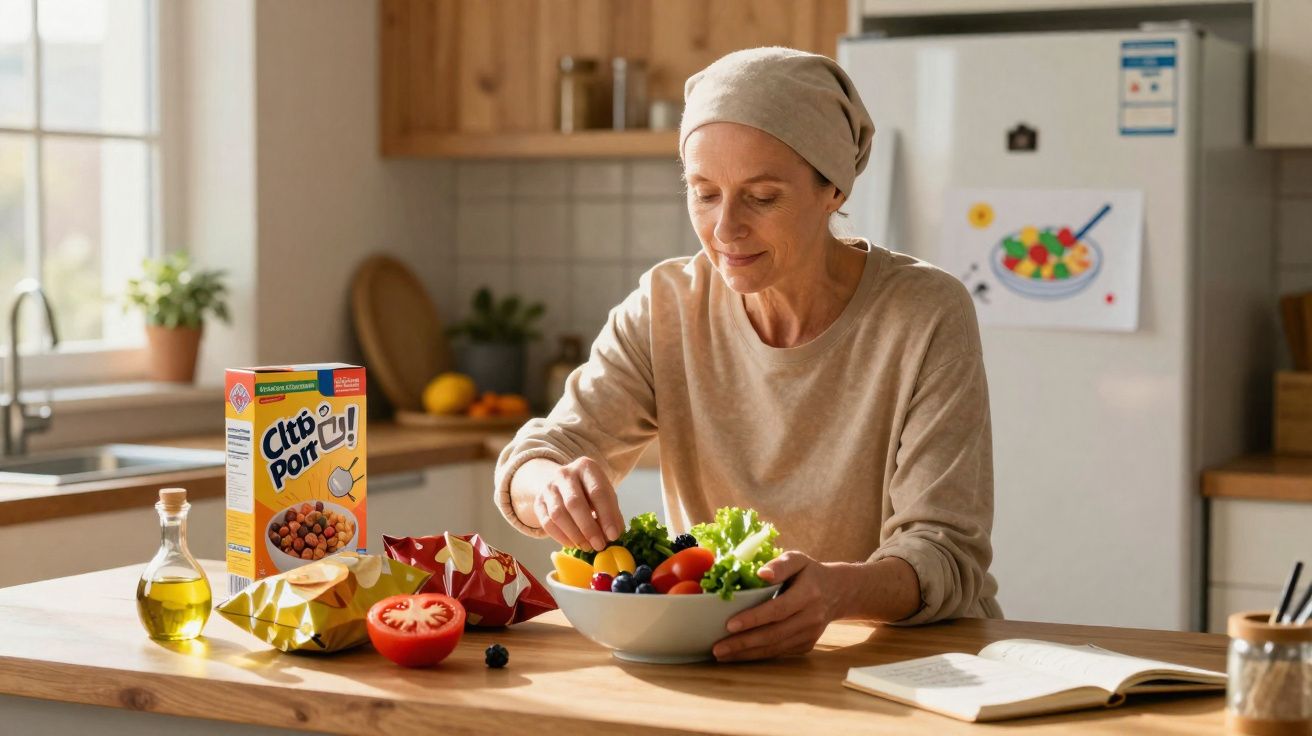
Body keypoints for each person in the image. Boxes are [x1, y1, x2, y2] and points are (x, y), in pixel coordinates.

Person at [494, 46, 1001, 662]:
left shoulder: (924, 312)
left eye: (761, 197)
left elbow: (945, 551)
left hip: (910, 663)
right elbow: (541, 454)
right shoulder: (666, 306)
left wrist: (836, 593)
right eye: (704, 193)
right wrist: (550, 486)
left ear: (833, 189)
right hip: (725, 655)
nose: (725, 229)